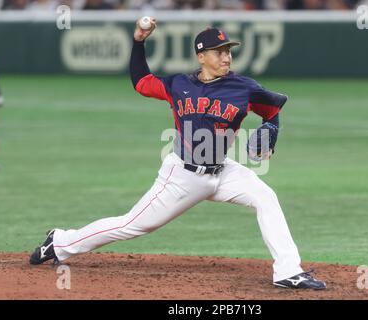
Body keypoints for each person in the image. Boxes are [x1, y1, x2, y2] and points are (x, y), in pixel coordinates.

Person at [29, 18, 326, 290]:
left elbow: (272, 112)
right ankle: (60, 242)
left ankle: (288, 271)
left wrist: (271, 132)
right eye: (218, 51)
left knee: (266, 197)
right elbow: (142, 82)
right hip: (182, 175)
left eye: (228, 50)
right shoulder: (179, 84)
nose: (226, 56)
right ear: (201, 57)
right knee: (131, 225)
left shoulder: (244, 87)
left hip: (223, 171)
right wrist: (138, 41)